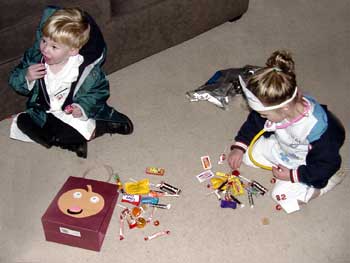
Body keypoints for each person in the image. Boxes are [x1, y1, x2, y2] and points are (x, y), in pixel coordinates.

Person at [227, 50, 346, 213]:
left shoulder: (318, 132)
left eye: (264, 114)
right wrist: (239, 147)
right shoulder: (280, 109)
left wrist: (292, 175)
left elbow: (326, 164)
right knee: (248, 156)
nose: (261, 116)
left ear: (284, 108)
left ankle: (325, 186)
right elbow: (255, 122)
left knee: (280, 195)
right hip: (284, 148)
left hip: (307, 163)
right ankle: (283, 166)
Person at [8, 6, 133, 158]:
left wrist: (82, 107)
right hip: (43, 111)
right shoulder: (35, 58)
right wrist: (26, 77)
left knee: (80, 127)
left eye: (54, 46)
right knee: (23, 122)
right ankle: (68, 142)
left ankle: (101, 126)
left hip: (70, 113)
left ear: (72, 50)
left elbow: (98, 92)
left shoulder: (84, 69)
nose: (45, 49)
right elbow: (14, 79)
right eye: (44, 40)